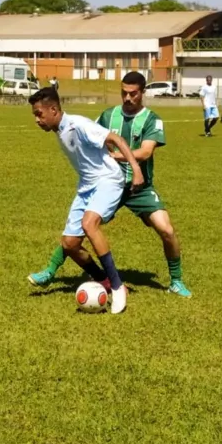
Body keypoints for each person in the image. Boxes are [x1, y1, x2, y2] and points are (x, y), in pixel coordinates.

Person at [28, 72, 192, 298]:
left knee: (167, 229)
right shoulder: (108, 115)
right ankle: (50, 270)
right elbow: (92, 138)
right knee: (80, 230)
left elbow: (146, 151)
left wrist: (119, 159)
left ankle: (176, 281)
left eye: (133, 93)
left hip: (138, 186)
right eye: (123, 92)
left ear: (142, 92)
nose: (127, 97)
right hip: (108, 184)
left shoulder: (152, 119)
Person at [29, 87, 143, 314]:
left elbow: (116, 138)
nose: (36, 120)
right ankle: (105, 281)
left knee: (89, 224)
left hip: (108, 180)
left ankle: (118, 286)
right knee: (70, 244)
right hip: (87, 186)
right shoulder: (58, 128)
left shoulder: (78, 125)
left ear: (53, 110)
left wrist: (136, 169)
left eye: (39, 114)